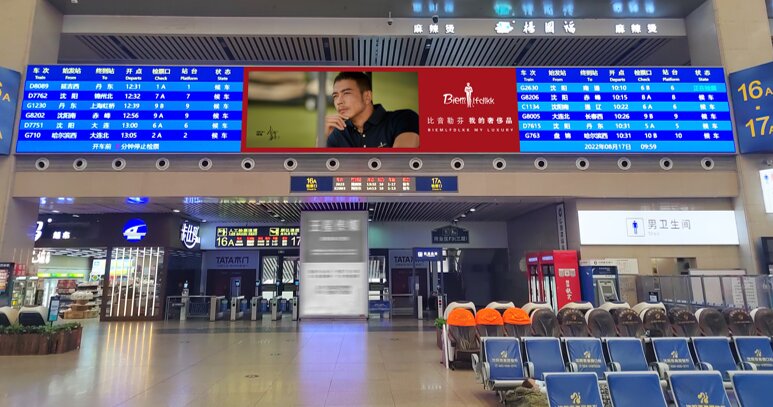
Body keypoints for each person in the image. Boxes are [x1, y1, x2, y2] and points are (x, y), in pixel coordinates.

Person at [325, 72, 419, 148]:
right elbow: (323, 166)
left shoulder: (404, 119)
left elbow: (400, 163)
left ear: (367, 96)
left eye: (346, 93)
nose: (339, 101)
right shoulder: (337, 133)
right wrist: (322, 137)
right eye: (335, 96)